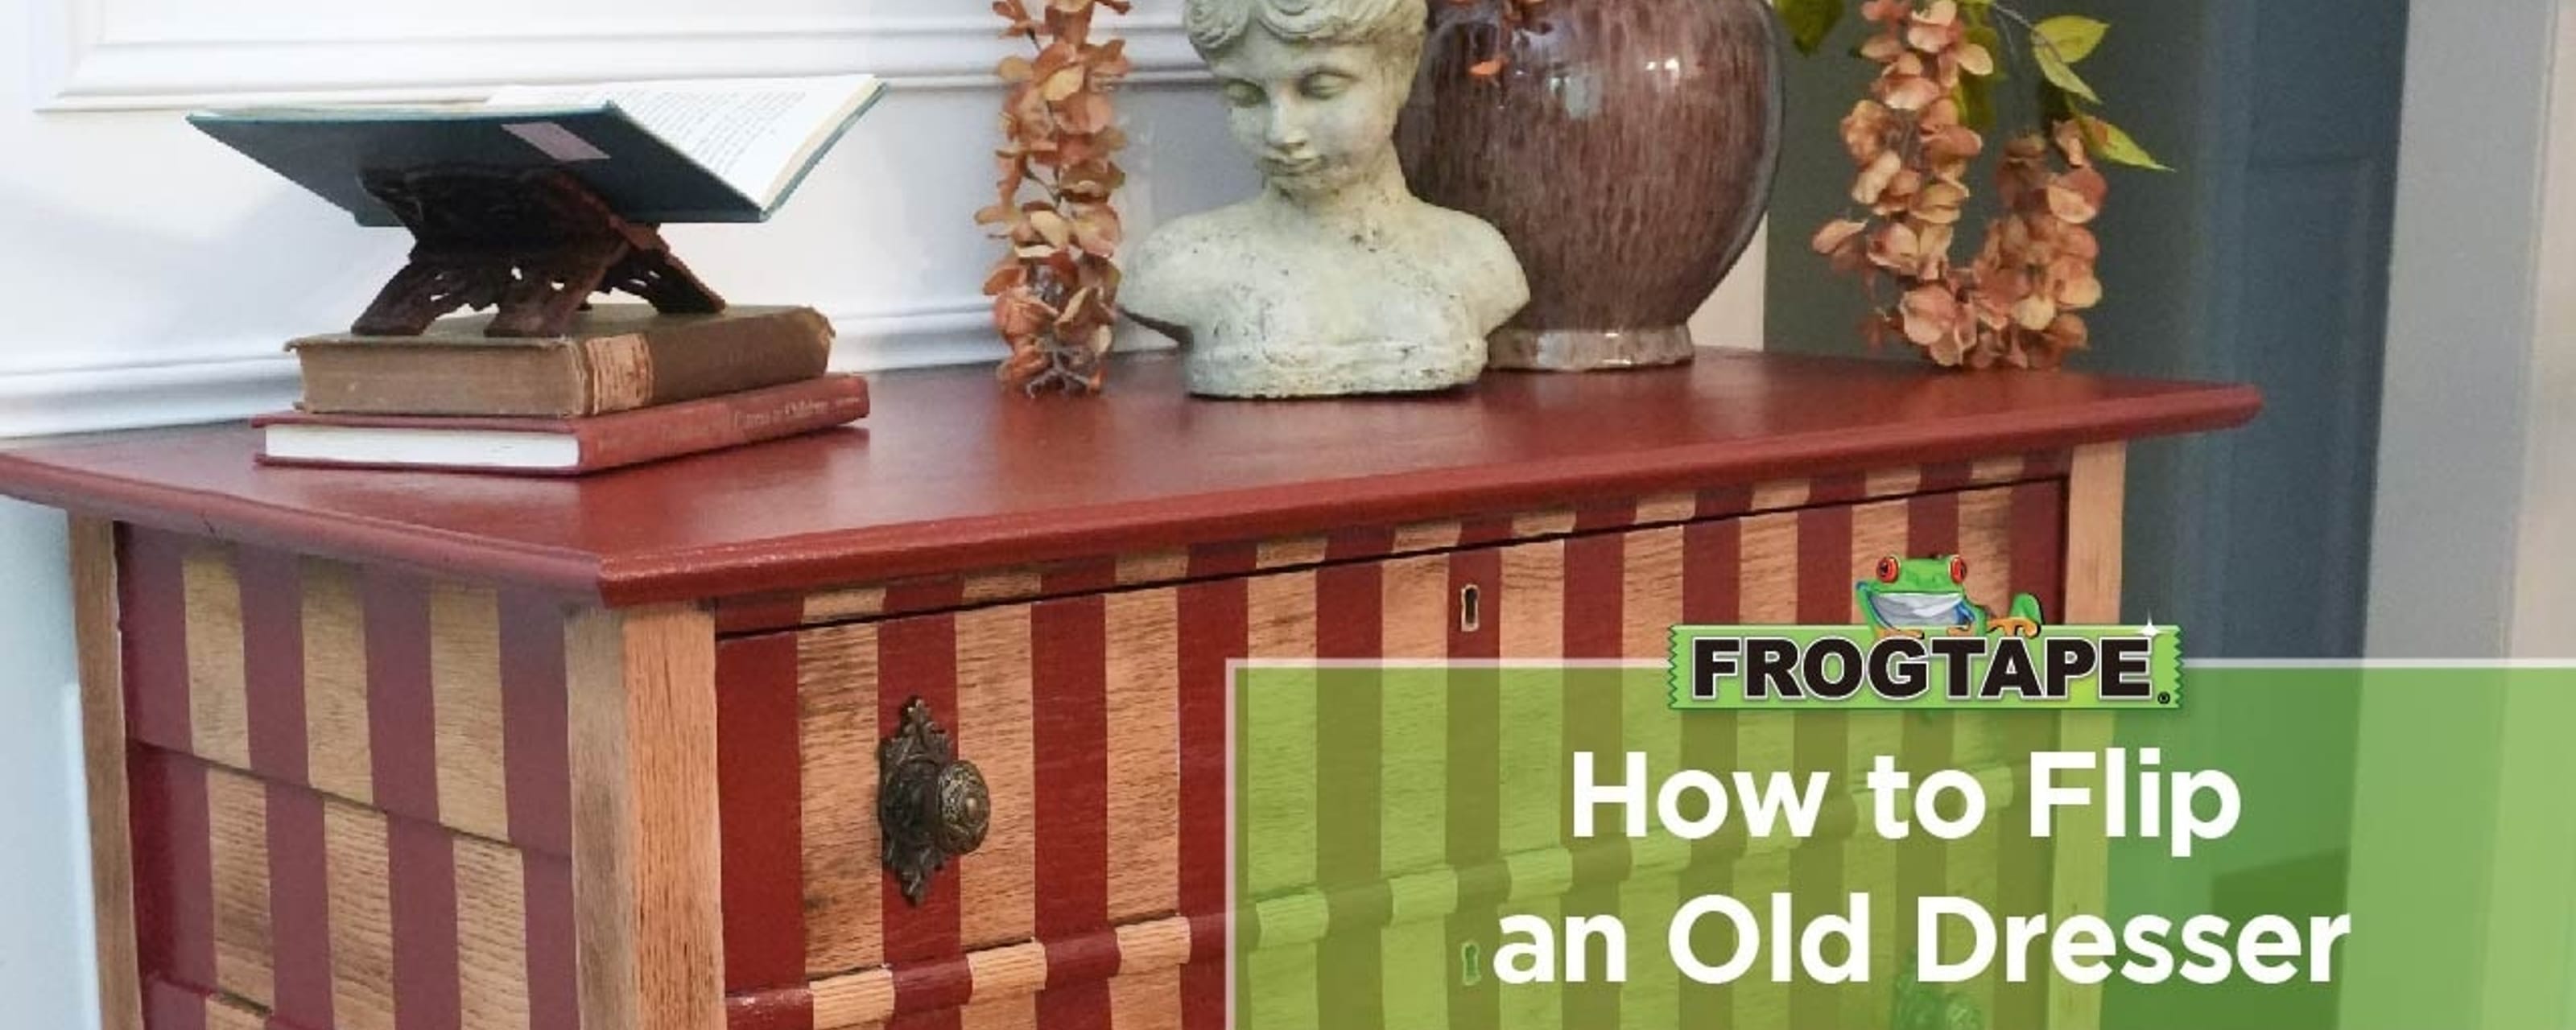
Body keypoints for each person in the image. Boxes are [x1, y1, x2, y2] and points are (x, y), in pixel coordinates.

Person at [1122, 0, 1530, 398]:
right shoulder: (1178, 265)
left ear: (1400, 72)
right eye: (1246, 94)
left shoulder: (1476, 258)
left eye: (1321, 89)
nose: (1281, 133)